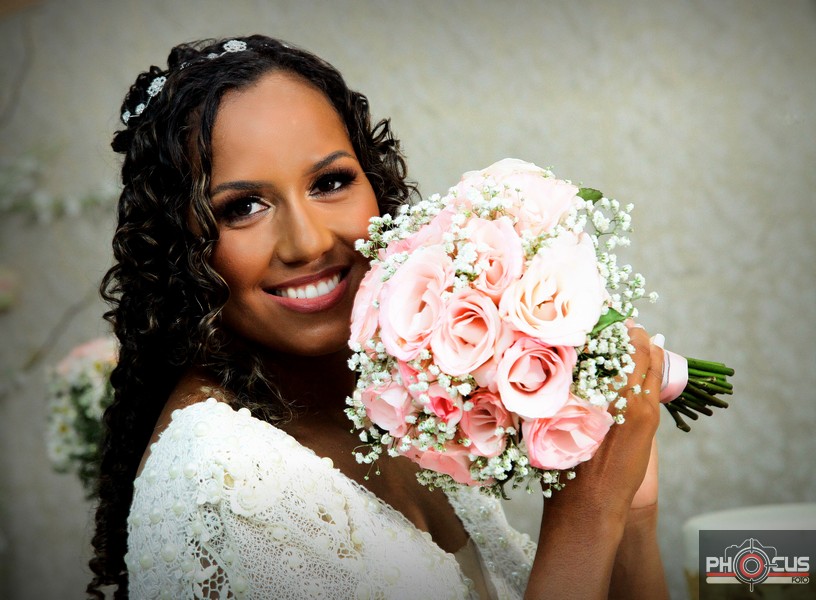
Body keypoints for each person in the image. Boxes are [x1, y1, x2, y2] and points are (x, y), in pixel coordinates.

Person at [87, 34, 669, 599]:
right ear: (176, 249)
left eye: (330, 182)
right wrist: (585, 518)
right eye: (243, 207)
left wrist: (631, 513)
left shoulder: (400, 401)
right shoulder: (219, 482)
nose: (309, 242)